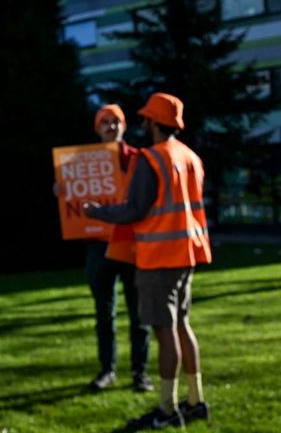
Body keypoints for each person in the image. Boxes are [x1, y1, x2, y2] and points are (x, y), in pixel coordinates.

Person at [84, 93, 213, 430]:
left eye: (146, 118)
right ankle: (196, 401)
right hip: (187, 253)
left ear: (153, 122)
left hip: (158, 257)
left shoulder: (151, 158)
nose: (143, 123)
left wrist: (98, 212)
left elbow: (134, 210)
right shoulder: (190, 156)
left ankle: (168, 409)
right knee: (183, 324)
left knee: (165, 330)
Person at [83, 105, 153, 393]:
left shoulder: (139, 159)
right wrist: (63, 192)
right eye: (105, 123)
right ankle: (107, 370)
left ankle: (140, 373)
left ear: (124, 126)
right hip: (98, 246)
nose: (111, 127)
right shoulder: (81, 163)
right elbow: (75, 203)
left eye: (115, 122)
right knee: (104, 313)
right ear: (97, 129)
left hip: (131, 244)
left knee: (139, 312)